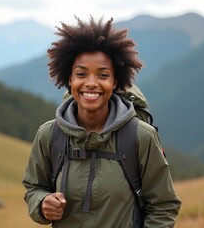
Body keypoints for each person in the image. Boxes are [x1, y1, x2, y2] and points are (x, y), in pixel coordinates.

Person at [23, 16, 181, 227]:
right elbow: (34, 187)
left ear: (115, 81)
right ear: (69, 80)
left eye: (103, 75)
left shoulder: (141, 136)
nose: (91, 83)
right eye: (81, 74)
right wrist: (42, 204)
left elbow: (163, 206)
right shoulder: (49, 135)